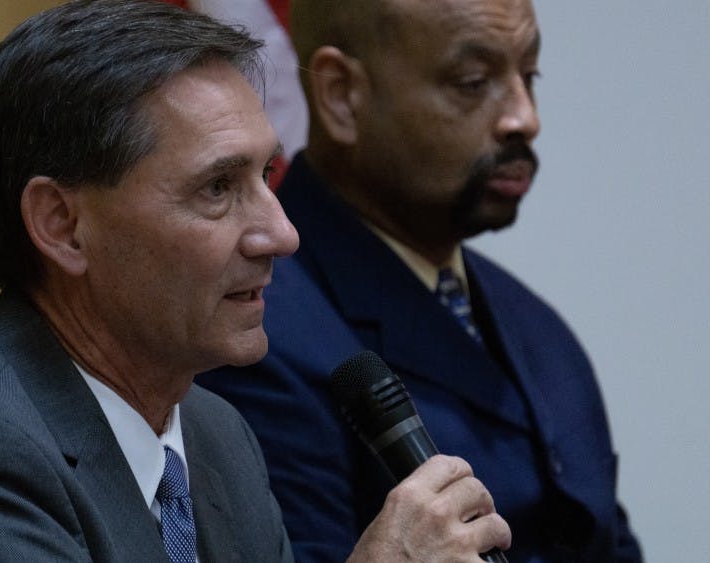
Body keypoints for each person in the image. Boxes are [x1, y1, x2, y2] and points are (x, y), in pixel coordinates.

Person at [0, 1, 512, 561]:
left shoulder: (215, 436)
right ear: (61, 225)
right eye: (216, 188)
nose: (283, 234)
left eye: (265, 176)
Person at [197, 0, 644, 561]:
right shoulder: (251, 331)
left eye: (528, 76)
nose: (524, 117)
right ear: (340, 94)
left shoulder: (536, 327)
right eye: (473, 81)